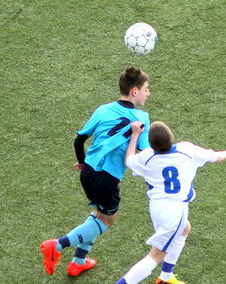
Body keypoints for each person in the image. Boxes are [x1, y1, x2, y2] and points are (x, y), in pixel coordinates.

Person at [41, 67, 152, 277]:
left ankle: (78, 262)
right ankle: (56, 245)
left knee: (98, 214)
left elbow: (79, 140)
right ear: (135, 91)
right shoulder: (141, 118)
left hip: (88, 171)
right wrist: (136, 135)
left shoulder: (103, 110)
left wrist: (82, 162)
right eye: (146, 88)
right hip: (106, 178)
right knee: (107, 220)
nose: (148, 93)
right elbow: (145, 152)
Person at [115, 121, 226, 284]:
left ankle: (166, 276)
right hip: (175, 212)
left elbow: (128, 160)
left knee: (185, 228)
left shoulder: (146, 157)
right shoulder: (187, 150)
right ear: (171, 138)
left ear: (152, 145)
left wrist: (135, 135)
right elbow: (217, 157)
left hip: (157, 207)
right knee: (155, 256)